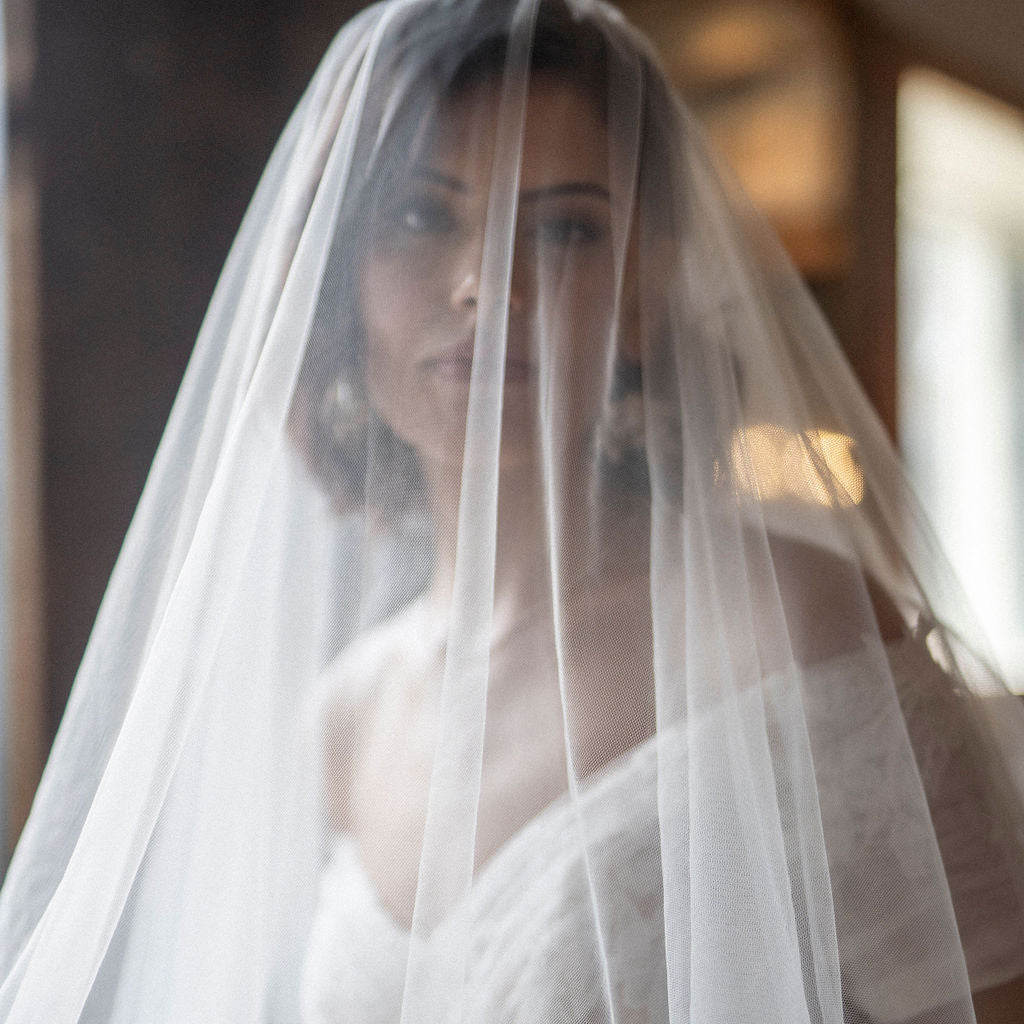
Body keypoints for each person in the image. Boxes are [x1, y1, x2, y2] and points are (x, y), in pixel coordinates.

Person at [2, 0, 1023, 1021]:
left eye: (566, 228)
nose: (488, 289)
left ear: (642, 288)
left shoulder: (802, 626)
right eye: (421, 215)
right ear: (343, 279)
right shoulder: (348, 716)